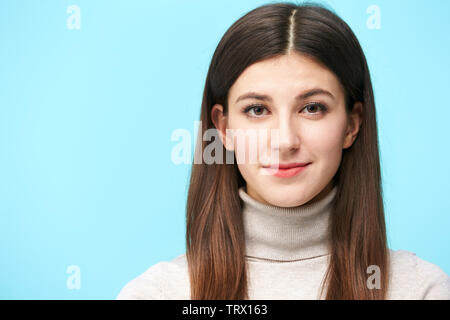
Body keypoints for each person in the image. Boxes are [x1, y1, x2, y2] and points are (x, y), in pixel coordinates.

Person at [117, 2, 450, 299]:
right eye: (258, 110)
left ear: (352, 124)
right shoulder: (157, 293)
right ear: (223, 128)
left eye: (312, 108)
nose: (285, 140)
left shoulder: (419, 289)